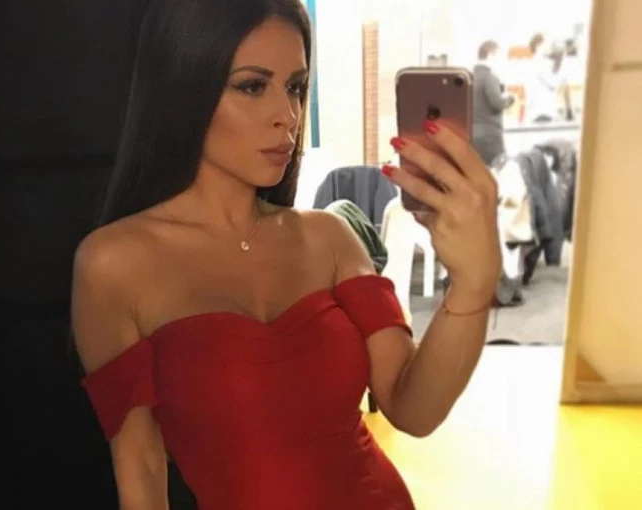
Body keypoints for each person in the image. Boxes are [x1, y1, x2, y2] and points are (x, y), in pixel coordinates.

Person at [71, 0, 502, 508]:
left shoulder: (329, 237)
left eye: (295, 87)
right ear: (184, 87)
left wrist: (473, 282)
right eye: (253, 86)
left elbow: (413, 409)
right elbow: (141, 469)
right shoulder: (113, 265)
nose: (289, 115)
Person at [472, 40, 516, 166]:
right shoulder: (488, 77)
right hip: (490, 137)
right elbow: (497, 103)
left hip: (473, 136)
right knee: (498, 170)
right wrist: (511, 99)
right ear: (491, 55)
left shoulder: (470, 76)